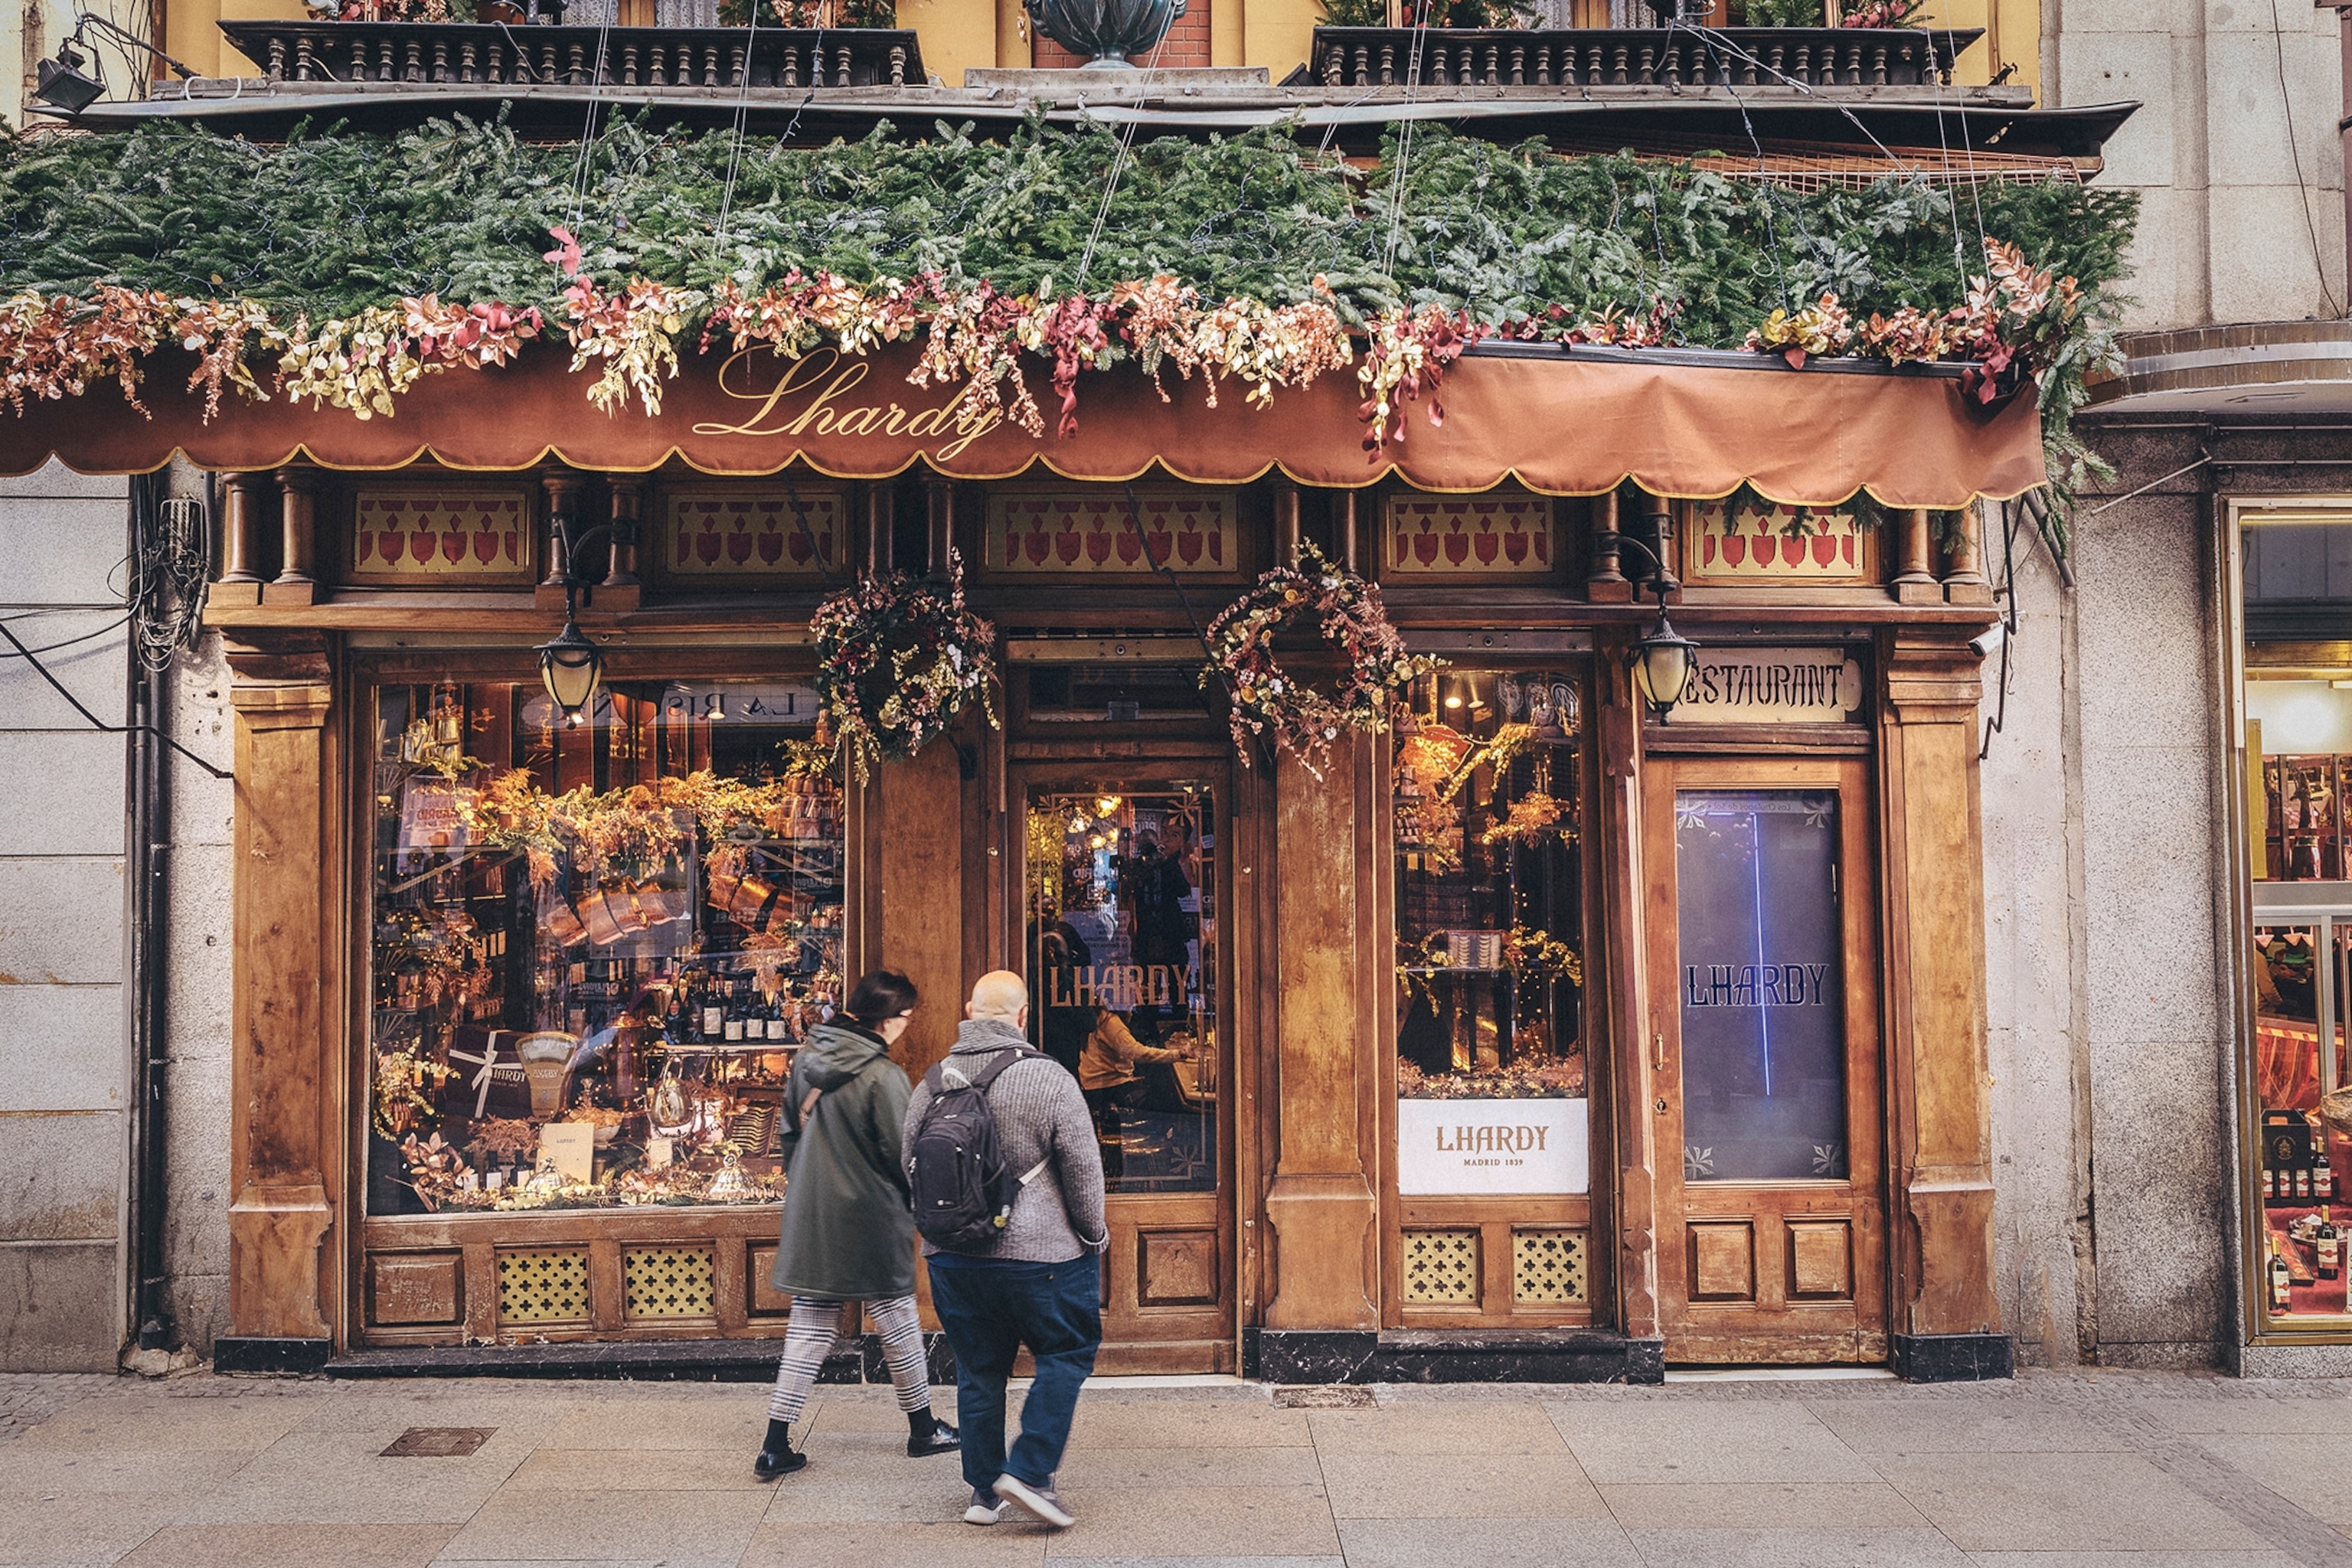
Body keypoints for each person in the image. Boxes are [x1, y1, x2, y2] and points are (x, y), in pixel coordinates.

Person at [904, 969, 1106, 1530]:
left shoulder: (933, 1083)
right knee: (1066, 1354)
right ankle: (1031, 1472)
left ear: (969, 1011)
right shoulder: (1050, 1080)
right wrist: (1093, 1236)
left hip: (951, 1258)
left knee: (978, 1370)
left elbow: (909, 1166)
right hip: (1042, 1260)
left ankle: (982, 1493)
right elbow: (1084, 1173)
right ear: (1023, 1018)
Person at [754, 969, 960, 1481]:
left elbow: (787, 1135)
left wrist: (808, 1185)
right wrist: (922, 1205)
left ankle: (775, 1443)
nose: (907, 1027)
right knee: (897, 1319)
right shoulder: (884, 1076)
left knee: (810, 1327)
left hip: (813, 1211)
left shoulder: (809, 1058)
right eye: (906, 1018)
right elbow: (901, 1152)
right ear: (888, 1020)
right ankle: (922, 1429)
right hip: (870, 1215)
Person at [1076, 1006, 1193, 1178]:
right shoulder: (1111, 1022)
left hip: (1095, 1086)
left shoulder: (1098, 1017)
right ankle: (1171, 1158)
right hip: (1108, 1088)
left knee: (1158, 1083)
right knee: (1170, 1100)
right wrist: (1178, 1054)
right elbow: (1137, 1052)